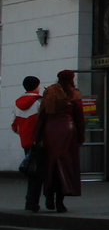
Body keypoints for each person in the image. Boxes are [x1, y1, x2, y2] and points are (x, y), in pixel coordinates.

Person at [35, 69, 85, 213]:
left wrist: (37, 136)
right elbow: (79, 119)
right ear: (71, 79)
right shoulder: (74, 94)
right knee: (65, 165)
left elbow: (42, 116)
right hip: (68, 133)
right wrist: (81, 136)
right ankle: (60, 201)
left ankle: (49, 195)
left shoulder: (50, 92)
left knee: (50, 164)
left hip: (50, 132)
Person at [11, 75, 42, 212]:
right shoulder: (38, 101)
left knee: (31, 170)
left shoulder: (17, 102)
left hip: (25, 141)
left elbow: (14, 125)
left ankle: (30, 200)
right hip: (39, 141)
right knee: (38, 172)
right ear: (36, 86)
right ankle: (32, 200)